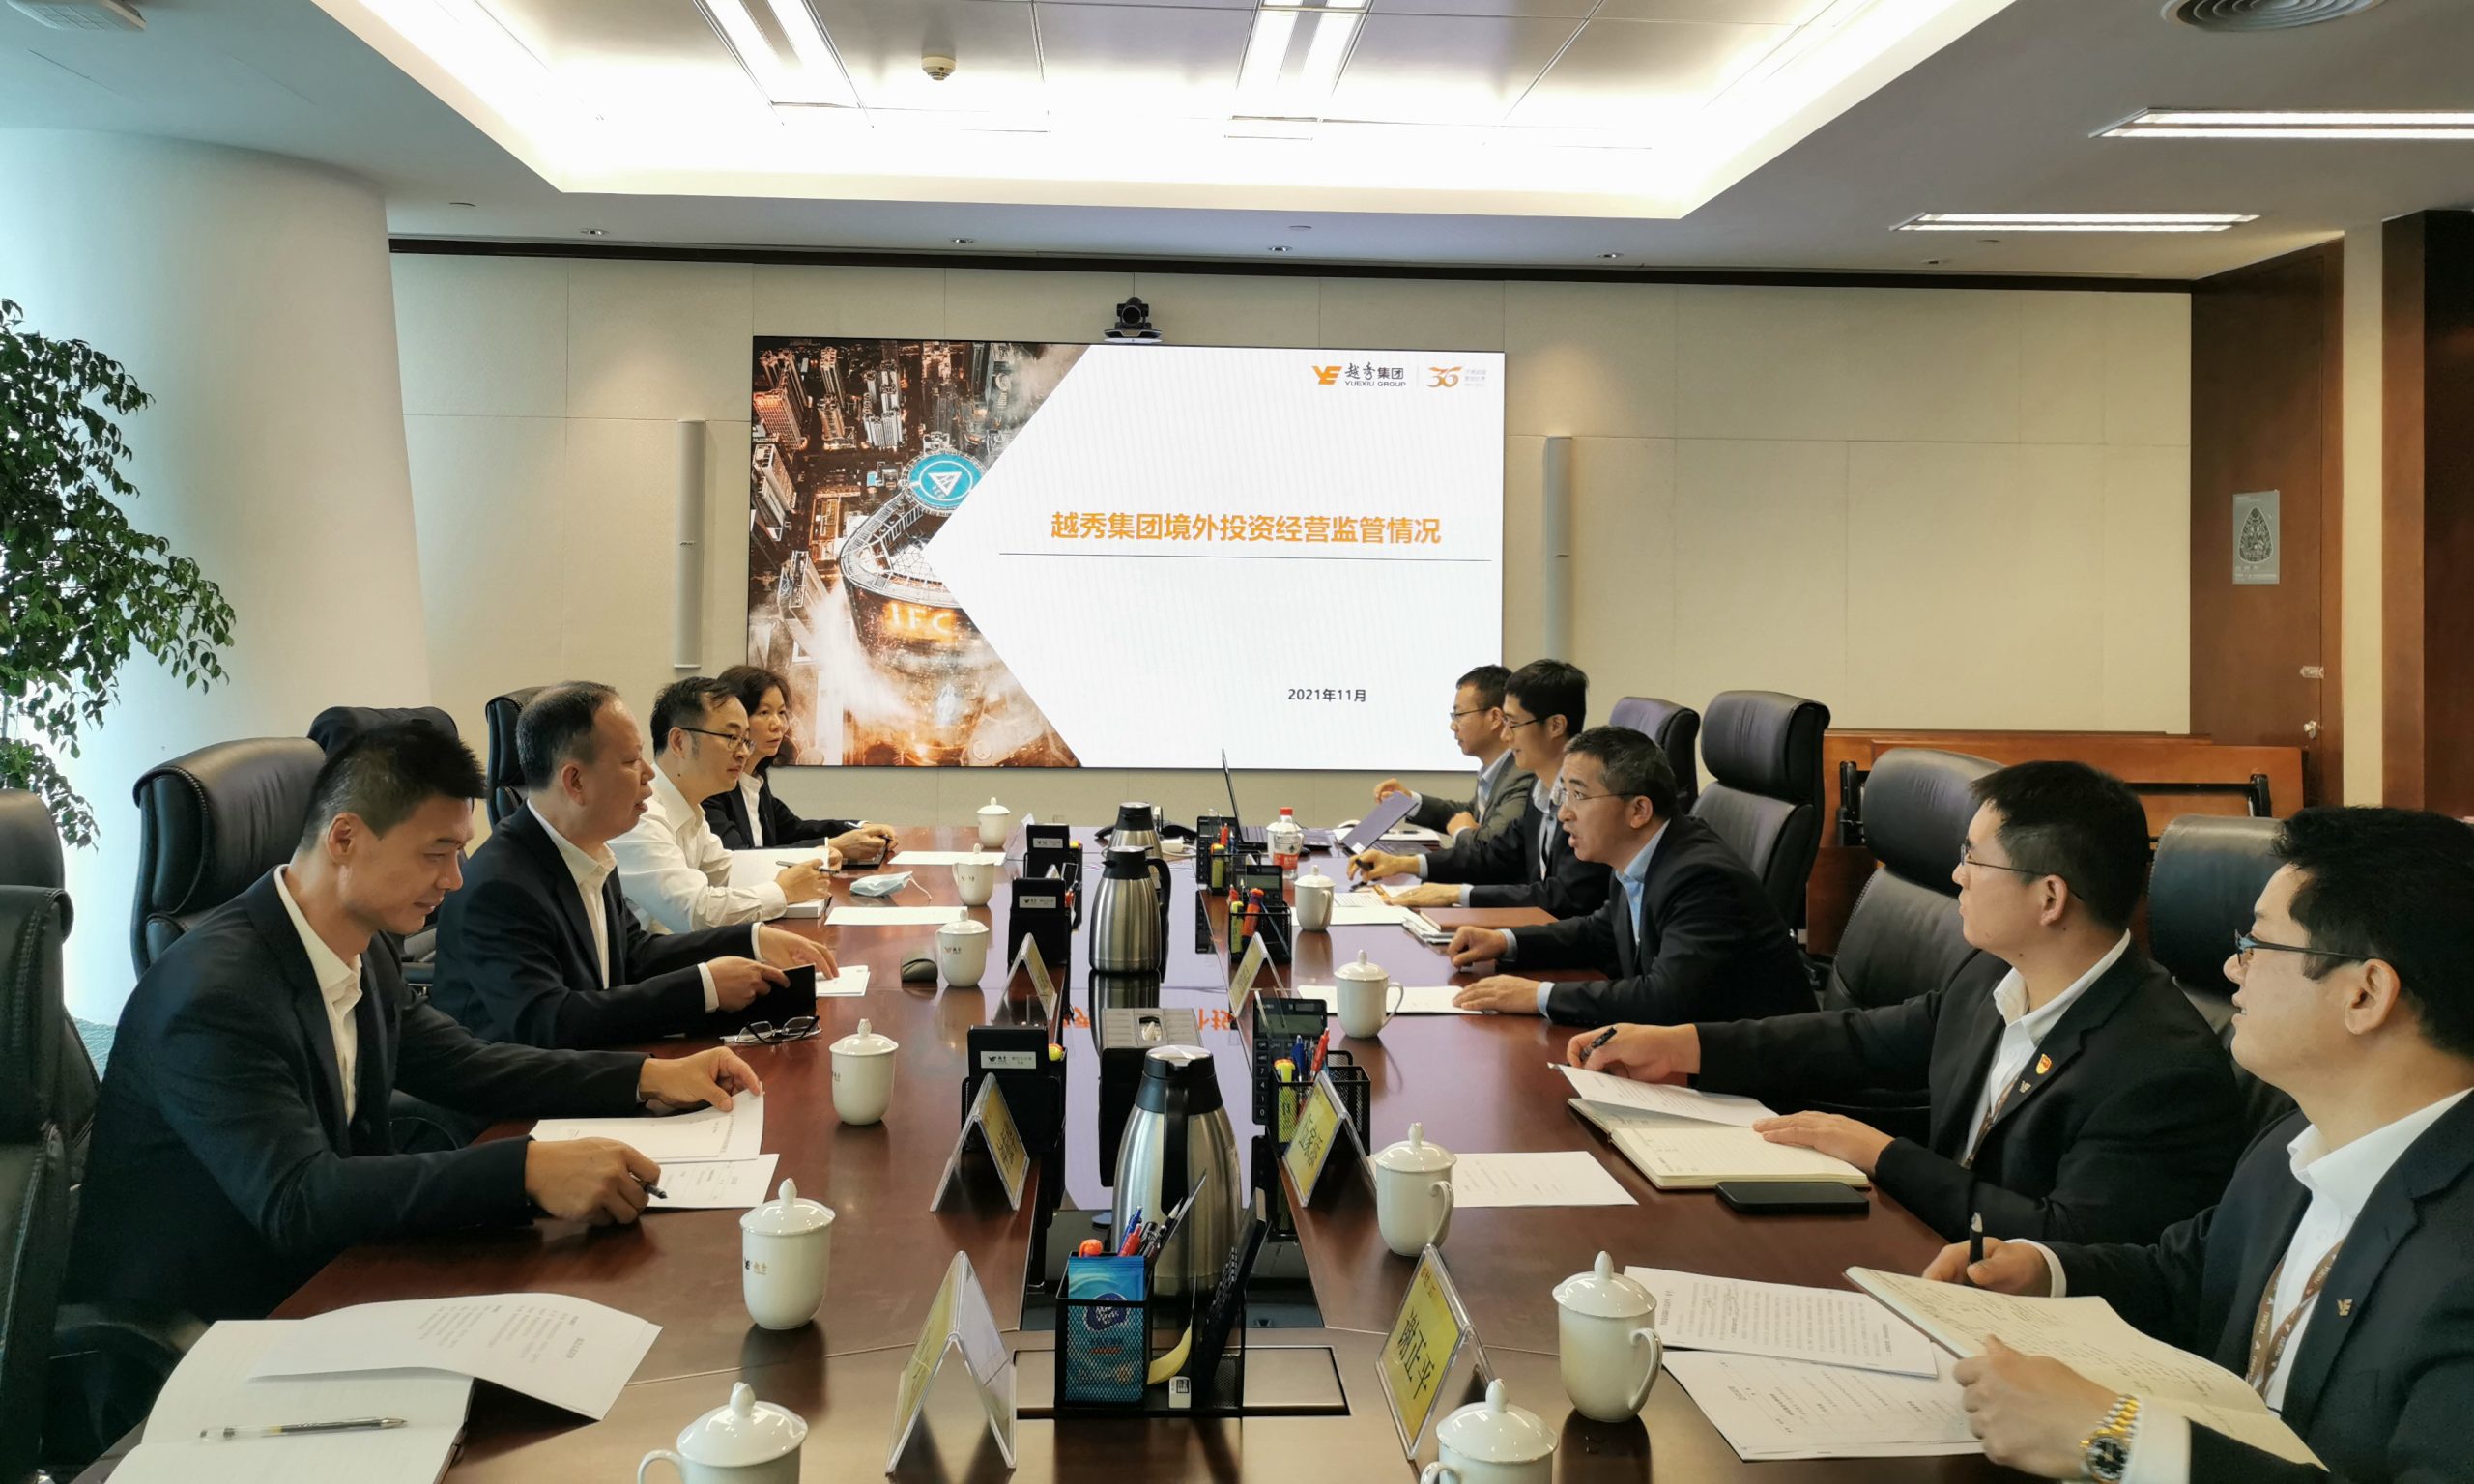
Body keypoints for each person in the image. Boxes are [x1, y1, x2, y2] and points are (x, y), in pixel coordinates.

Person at [67, 724, 766, 1324]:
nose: (456, 879)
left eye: (460, 851)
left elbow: (468, 1063)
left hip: (338, 1273)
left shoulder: (363, 945)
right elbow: (297, 1199)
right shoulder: (212, 997)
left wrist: (646, 1077)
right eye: (436, 853)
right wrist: (521, 1170)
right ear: (345, 838)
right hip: (216, 1324)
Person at [1923, 807, 2474, 1484]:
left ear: (2365, 994)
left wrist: (2115, 1440)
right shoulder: (2293, 1142)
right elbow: (2187, 1276)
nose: (2232, 968)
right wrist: (2044, 1270)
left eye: (2258, 943)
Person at [1570, 760, 2243, 1246]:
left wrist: (1883, 1155)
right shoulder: (1994, 975)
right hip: (1929, 1253)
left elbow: (2064, 1242)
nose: (1957, 875)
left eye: (1974, 860)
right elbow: (1860, 1040)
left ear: (2050, 898)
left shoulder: (2157, 1067)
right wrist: (1683, 1045)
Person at [433, 682, 836, 1049]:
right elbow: (550, 1022)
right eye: (630, 761)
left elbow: (633, 955)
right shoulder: (501, 886)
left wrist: (751, 939)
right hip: (524, 1096)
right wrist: (704, 988)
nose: (648, 774)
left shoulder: (591, 849)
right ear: (575, 782)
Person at [1442, 726, 1810, 1025]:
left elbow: (1665, 999)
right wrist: (1504, 941)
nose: (1564, 813)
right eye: (1563, 794)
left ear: (1638, 811)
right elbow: (1600, 932)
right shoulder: (1641, 854)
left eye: (1578, 796)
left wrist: (1539, 996)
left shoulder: (1701, 878)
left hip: (1752, 1078)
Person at [1351, 659, 1610, 918]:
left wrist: (1457, 895)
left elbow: (1564, 898)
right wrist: (1403, 864)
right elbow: (1495, 854)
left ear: (1556, 726)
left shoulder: (1586, 802)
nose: (1506, 736)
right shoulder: (1540, 787)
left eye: (1514, 724)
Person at [612, 675, 835, 933]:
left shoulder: (691, 812)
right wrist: (783, 891)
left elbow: (730, 871)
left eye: (745, 740)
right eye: (731, 737)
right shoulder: (642, 815)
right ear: (679, 742)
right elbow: (696, 912)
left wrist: (813, 861)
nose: (743, 752)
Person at [706, 663, 897, 865]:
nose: (778, 724)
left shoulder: (755, 778)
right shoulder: (711, 786)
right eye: (764, 712)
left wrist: (861, 828)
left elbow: (793, 830)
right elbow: (738, 859)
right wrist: (832, 846)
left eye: (781, 713)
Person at [1370, 664, 1533, 845]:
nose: (1453, 726)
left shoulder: (1521, 775)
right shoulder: (1497, 769)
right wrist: (1409, 802)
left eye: (1459, 714)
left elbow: (1493, 847)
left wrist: (1462, 832)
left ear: (1495, 718)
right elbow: (1469, 815)